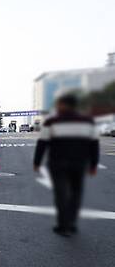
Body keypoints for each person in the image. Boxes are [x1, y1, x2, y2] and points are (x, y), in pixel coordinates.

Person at [33, 94, 99, 236]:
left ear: (63, 105)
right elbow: (94, 145)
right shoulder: (88, 122)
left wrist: (37, 162)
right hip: (79, 163)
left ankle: (63, 226)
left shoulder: (52, 121)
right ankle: (72, 223)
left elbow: (42, 143)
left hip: (58, 163)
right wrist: (93, 164)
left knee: (61, 193)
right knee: (76, 193)